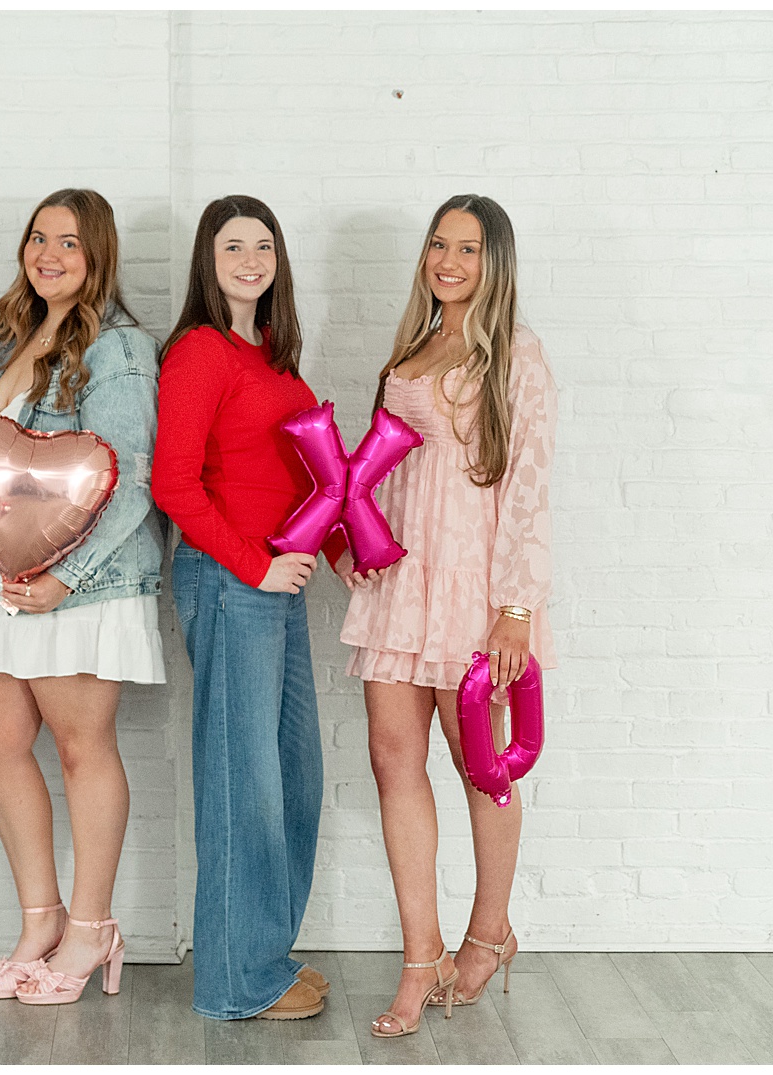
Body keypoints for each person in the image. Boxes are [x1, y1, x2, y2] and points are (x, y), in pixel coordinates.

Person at [332, 194, 557, 1037]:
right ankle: (417, 957)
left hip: (475, 589)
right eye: (437, 244)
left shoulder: (518, 357)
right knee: (394, 757)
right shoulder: (414, 344)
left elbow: (528, 489)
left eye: (467, 248)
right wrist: (354, 535)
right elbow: (380, 466)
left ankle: (489, 931)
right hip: (398, 583)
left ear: (494, 260)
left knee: (483, 769)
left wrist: (515, 610)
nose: (448, 261)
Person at [0, 188, 164, 1006]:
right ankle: (40, 918)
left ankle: (94, 927)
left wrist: (65, 577)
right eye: (39, 238)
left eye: (69, 242)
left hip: (84, 585)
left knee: (80, 747)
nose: (50, 254)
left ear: (97, 255)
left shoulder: (122, 348)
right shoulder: (6, 344)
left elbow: (131, 475)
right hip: (3, 579)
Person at [151, 195, 330, 1021]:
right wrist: (258, 567)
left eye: (264, 245)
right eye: (233, 246)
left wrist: (338, 554)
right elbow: (174, 485)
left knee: (293, 775)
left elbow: (302, 478)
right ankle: (234, 979)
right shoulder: (199, 352)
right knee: (243, 781)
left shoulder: (274, 359)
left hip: (273, 587)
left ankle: (266, 954)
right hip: (232, 584)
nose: (251, 259)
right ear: (207, 258)